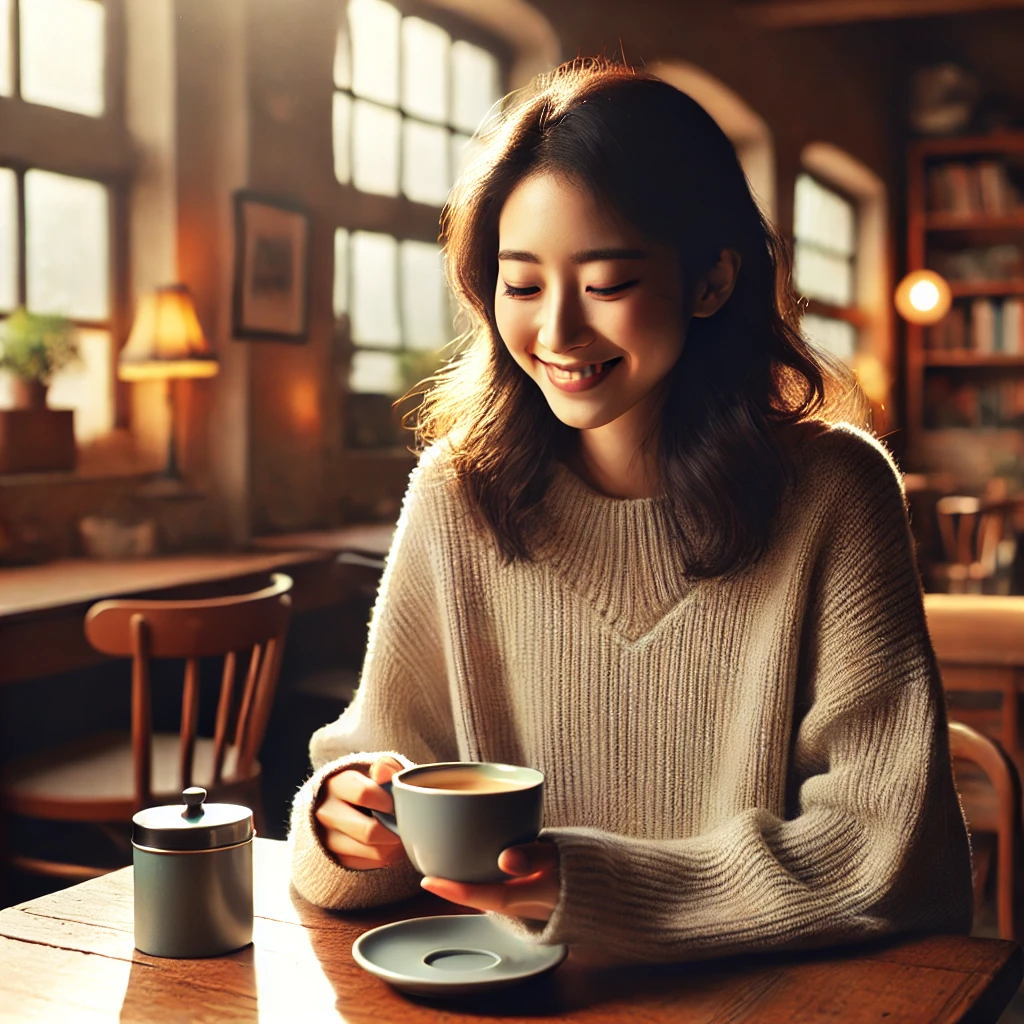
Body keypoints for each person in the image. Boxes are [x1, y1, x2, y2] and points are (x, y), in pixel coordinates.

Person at [289, 57, 973, 963]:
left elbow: (889, 854)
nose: (558, 332)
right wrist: (342, 823)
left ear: (712, 281)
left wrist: (597, 890)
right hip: (505, 998)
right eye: (522, 285)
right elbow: (381, 787)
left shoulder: (836, 493)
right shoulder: (458, 491)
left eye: (606, 284)